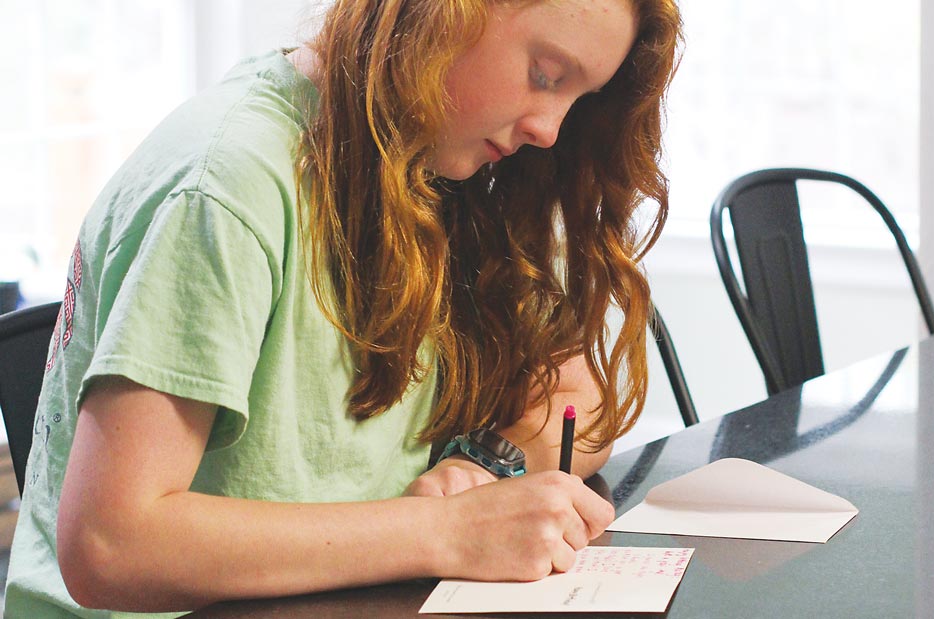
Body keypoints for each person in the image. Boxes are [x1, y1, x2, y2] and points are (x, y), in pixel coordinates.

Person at [3, 0, 682, 616]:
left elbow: (580, 395)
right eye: (543, 73)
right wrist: (445, 531)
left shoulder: (445, 162)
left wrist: (485, 465)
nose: (550, 129)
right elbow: (111, 542)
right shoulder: (227, 187)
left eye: (577, 98)